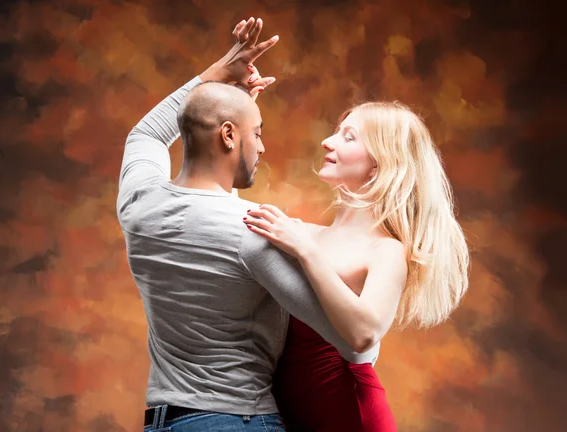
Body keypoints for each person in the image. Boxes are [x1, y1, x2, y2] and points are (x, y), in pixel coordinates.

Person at [116, 18, 378, 432]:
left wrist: (217, 75)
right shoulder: (256, 231)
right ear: (227, 136)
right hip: (237, 419)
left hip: (162, 420)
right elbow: (354, 345)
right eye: (256, 133)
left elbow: (146, 135)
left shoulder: (138, 202)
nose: (262, 145)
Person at [243, 86, 470, 430]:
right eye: (336, 132)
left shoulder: (387, 250)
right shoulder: (300, 232)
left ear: (380, 164)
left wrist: (305, 251)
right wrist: (241, 108)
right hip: (288, 412)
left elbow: (364, 334)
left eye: (348, 137)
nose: (327, 143)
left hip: (349, 414)